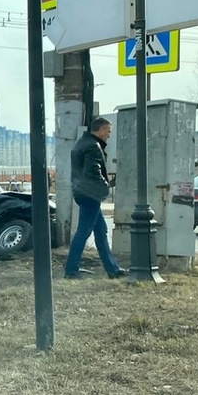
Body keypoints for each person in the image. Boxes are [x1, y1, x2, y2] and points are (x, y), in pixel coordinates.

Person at [66, 117, 126, 280]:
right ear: (101, 130)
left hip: (82, 193)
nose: (109, 135)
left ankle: (113, 270)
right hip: (89, 194)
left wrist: (106, 182)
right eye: (108, 131)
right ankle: (71, 270)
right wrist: (105, 187)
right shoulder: (93, 146)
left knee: (101, 231)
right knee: (83, 232)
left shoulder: (82, 143)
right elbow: (92, 172)